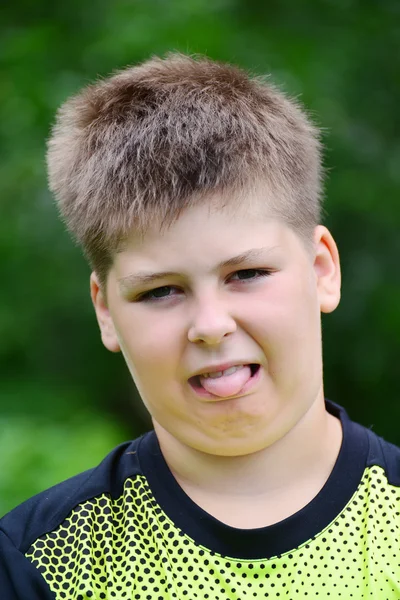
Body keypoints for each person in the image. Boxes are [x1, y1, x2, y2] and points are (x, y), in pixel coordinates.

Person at [0, 52, 399, 600]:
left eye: (247, 273)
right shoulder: (36, 563)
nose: (210, 326)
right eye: (160, 291)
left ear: (321, 270)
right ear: (106, 311)